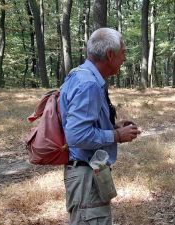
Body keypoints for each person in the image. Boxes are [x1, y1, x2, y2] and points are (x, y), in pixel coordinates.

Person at [59, 27, 141, 225]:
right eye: (123, 53)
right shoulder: (89, 83)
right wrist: (116, 135)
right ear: (110, 55)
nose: (124, 58)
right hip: (86, 176)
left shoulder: (80, 74)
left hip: (87, 172)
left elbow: (82, 121)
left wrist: (113, 126)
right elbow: (76, 135)